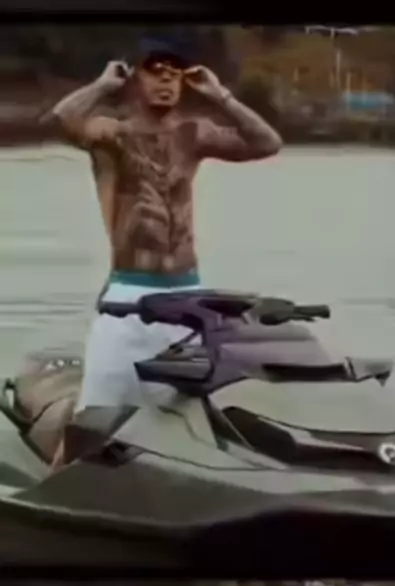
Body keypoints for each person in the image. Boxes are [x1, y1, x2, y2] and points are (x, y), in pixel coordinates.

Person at [47, 35, 282, 468]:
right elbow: (64, 118)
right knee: (90, 422)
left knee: (182, 422)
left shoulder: (193, 134)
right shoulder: (113, 134)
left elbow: (267, 143)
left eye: (174, 73)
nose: (166, 80)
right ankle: (44, 496)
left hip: (188, 300)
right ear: (135, 77)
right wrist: (104, 84)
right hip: (129, 299)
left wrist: (220, 96)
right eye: (155, 71)